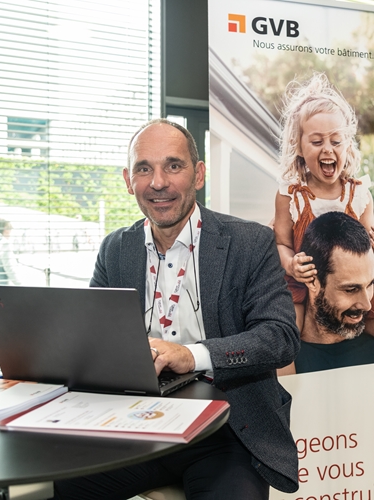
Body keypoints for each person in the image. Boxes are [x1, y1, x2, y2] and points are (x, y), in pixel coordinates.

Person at [52, 119, 300, 500]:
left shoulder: (249, 242)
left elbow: (280, 337)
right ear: (128, 180)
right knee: (60, 484)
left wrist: (191, 355)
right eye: (144, 168)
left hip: (226, 427)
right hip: (137, 422)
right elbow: (95, 340)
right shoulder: (115, 249)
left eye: (173, 165)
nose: (158, 182)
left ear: (198, 174)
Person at [274, 72, 374, 332]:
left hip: (350, 285)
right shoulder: (290, 195)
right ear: (299, 146)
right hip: (304, 284)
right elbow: (281, 243)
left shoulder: (359, 194)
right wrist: (291, 265)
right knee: (290, 327)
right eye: (317, 141)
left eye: (336, 141)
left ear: (347, 145)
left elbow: (367, 249)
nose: (328, 149)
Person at [278, 212, 374, 376]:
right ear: (312, 281)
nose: (366, 305)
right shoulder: (278, 355)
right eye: (351, 289)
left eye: (370, 284)